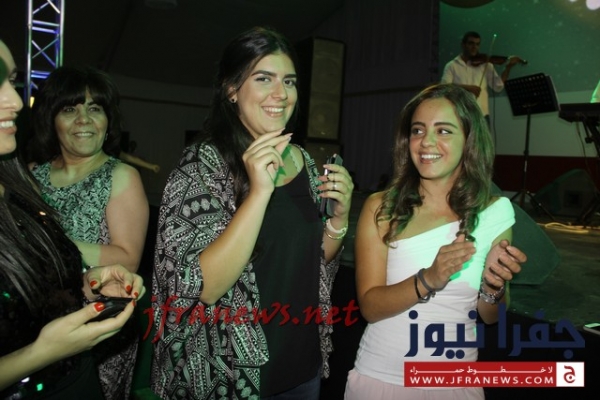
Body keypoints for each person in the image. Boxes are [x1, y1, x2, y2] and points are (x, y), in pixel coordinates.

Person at [151, 26, 354, 399]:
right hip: (226, 374)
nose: (281, 93)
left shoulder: (303, 161)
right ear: (232, 89)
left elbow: (313, 261)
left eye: (289, 81)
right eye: (264, 79)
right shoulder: (201, 167)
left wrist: (338, 220)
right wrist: (259, 192)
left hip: (300, 368)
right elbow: (203, 287)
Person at [344, 83, 527, 399]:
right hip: (383, 379)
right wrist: (429, 278)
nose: (426, 142)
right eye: (418, 130)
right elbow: (370, 307)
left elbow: (490, 315)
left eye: (443, 131)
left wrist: (494, 286)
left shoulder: (494, 212)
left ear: (469, 140)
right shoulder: (381, 208)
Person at [0, 39, 144, 399]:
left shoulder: (120, 175)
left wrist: (45, 242)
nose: (84, 120)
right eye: (70, 109)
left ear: (108, 120)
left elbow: (127, 260)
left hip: (95, 329)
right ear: (51, 119)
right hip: (32, 332)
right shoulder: (27, 174)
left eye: (95, 109)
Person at [441, 31, 523, 125]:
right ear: (463, 45)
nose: (474, 47)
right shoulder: (452, 65)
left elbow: (498, 86)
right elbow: (444, 87)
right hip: (459, 115)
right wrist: (467, 88)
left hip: (481, 114)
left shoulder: (485, 64)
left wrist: (508, 67)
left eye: (477, 44)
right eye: (471, 43)